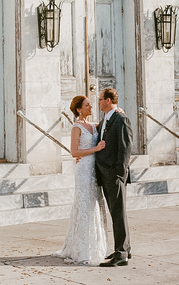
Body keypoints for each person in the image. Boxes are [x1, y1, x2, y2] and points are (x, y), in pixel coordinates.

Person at [53, 95, 109, 265]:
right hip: (84, 169)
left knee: (94, 204)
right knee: (84, 204)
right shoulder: (76, 128)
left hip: (95, 170)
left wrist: (117, 110)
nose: (91, 107)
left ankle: (97, 245)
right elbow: (74, 152)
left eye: (91, 104)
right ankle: (82, 249)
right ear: (79, 109)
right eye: (87, 105)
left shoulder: (94, 125)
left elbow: (108, 122)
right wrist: (95, 148)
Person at [95, 87, 133, 267]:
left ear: (108, 100)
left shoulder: (121, 119)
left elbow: (125, 148)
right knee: (115, 213)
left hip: (114, 174)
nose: (98, 102)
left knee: (118, 214)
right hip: (104, 174)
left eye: (100, 99)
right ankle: (125, 249)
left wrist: (119, 173)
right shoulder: (105, 120)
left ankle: (122, 254)